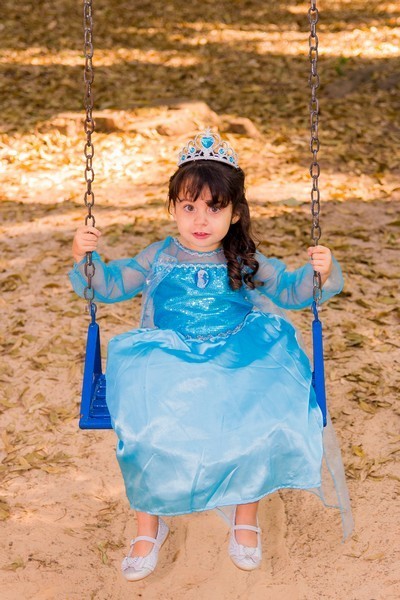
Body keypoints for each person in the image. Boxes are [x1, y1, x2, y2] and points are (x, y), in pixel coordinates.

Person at [69, 129, 352, 581]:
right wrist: (85, 258)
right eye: (189, 207)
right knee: (142, 427)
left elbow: (291, 291)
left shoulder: (244, 258)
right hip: (169, 356)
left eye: (215, 208)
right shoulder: (159, 256)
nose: (201, 220)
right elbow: (110, 285)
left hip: (237, 354)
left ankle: (245, 518)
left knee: (257, 417)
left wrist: (321, 271)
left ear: (235, 212)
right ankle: (149, 525)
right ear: (173, 209)